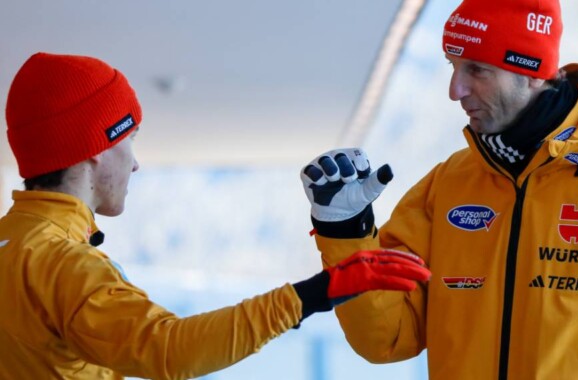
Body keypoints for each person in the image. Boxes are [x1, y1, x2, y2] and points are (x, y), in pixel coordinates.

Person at [300, 0, 578, 378]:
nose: (456, 90)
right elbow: (387, 337)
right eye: (453, 67)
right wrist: (346, 233)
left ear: (531, 73)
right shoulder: (449, 184)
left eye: (477, 70)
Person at [0, 52, 431, 380]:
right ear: (95, 148)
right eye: (129, 139)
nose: (134, 163)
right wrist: (315, 294)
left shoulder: (16, 246)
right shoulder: (62, 265)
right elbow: (169, 350)